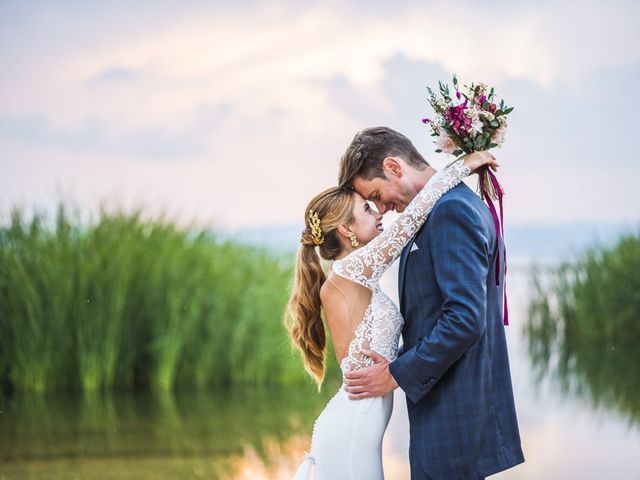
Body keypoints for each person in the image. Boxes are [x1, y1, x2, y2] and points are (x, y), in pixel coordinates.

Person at [286, 147, 497, 480]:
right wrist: (460, 168)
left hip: (359, 426)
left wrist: (398, 365)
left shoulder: (351, 277)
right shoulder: (351, 268)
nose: (380, 213)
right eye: (367, 208)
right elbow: (412, 219)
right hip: (353, 429)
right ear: (346, 229)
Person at [338, 127, 525, 479]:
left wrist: (396, 373)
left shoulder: (450, 212)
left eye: (376, 194)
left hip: (454, 420)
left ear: (394, 167)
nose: (381, 208)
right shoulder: (437, 211)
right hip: (447, 416)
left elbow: (465, 319)